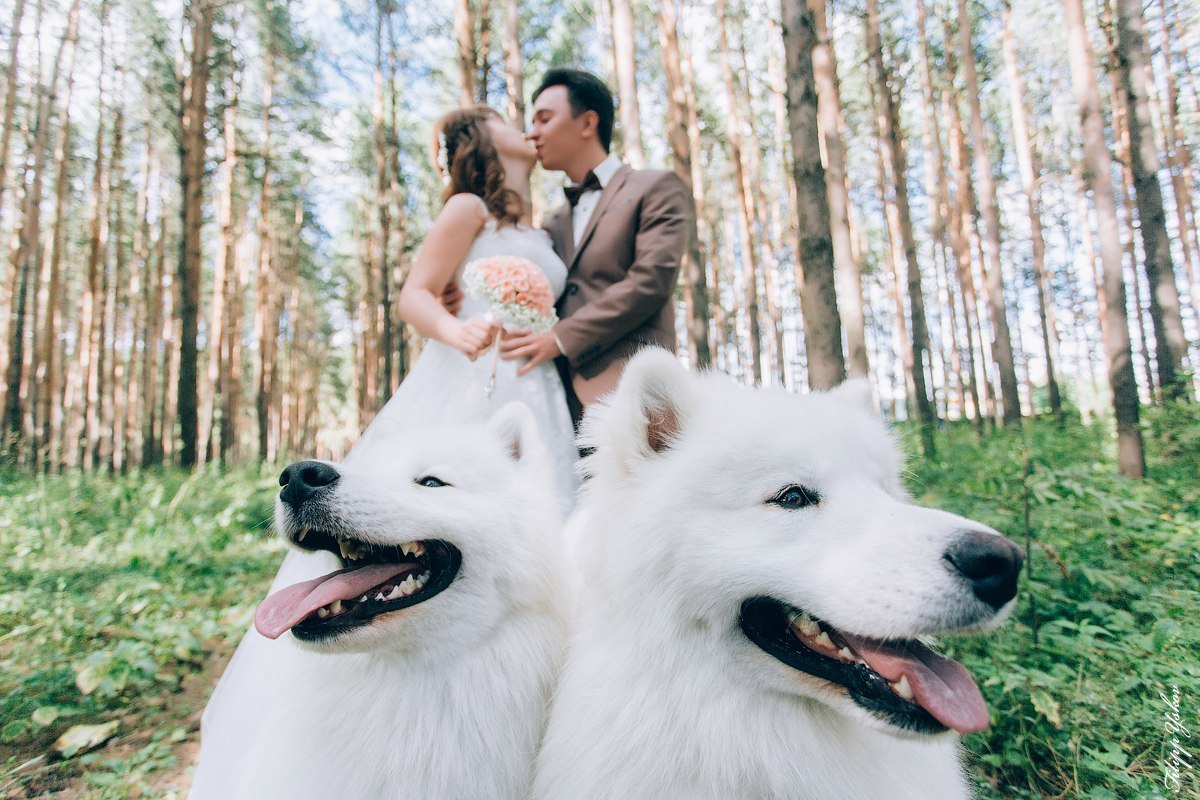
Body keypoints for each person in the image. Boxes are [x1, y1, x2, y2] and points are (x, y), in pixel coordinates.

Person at [187, 107, 577, 799]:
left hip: (537, 384)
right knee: (406, 516)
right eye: (505, 117)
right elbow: (416, 293)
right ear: (481, 141)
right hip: (474, 374)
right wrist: (458, 331)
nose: (525, 123)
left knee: (536, 555)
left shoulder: (545, 229)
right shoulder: (468, 207)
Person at [499, 68, 694, 423]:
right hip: (552, 398)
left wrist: (561, 338)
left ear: (588, 123)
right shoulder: (552, 223)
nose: (532, 133)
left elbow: (651, 281)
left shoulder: (655, 187)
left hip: (631, 394)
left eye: (544, 119)